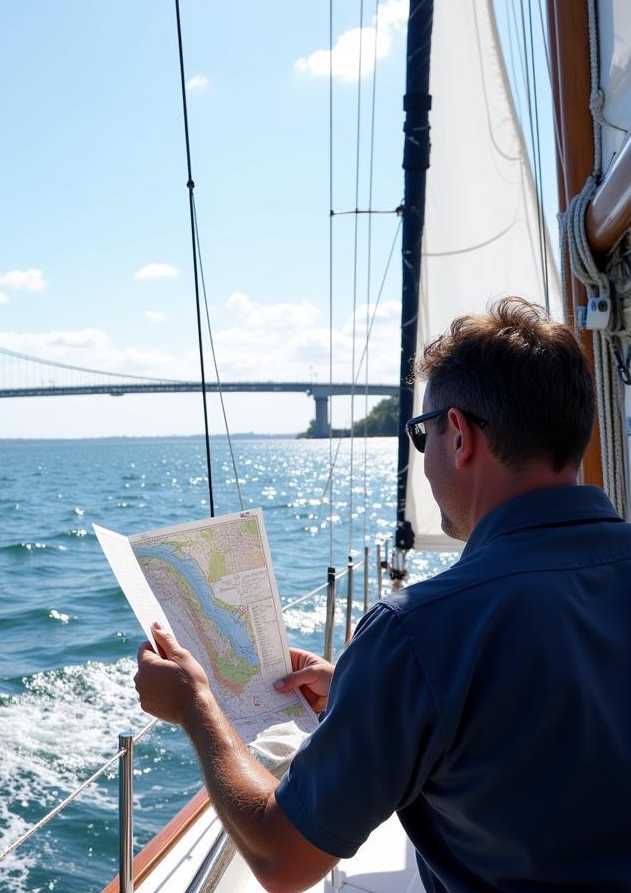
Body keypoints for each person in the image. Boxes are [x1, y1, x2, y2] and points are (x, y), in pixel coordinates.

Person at [134, 298, 631, 892]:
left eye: (423, 436)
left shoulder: (416, 633)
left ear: (461, 438)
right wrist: (362, 693)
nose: (423, 464)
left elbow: (280, 860)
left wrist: (195, 704)